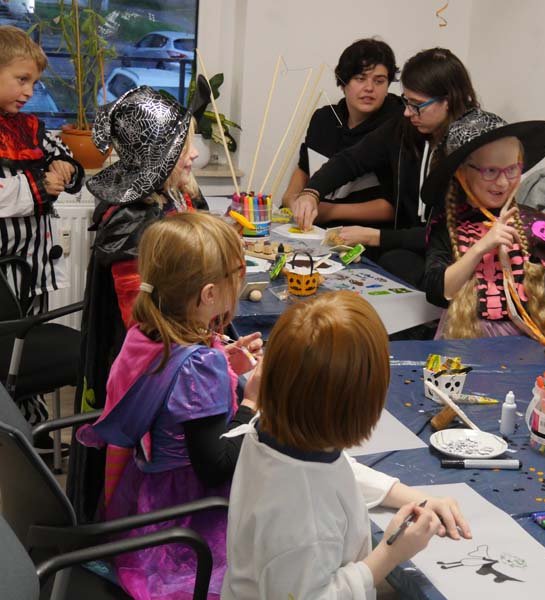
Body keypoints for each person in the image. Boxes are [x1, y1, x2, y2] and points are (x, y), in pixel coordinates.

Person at [223, 291, 472, 599]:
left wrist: (418, 499)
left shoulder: (275, 430)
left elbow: (337, 472)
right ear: (363, 403)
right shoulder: (303, 521)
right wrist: (391, 553)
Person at [67, 83, 241, 524]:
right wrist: (213, 358)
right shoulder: (135, 224)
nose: (194, 155)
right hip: (150, 383)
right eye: (183, 148)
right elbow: (154, 329)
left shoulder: (164, 199)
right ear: (156, 156)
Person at [76, 212, 261, 599]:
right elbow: (215, 466)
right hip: (189, 512)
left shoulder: (147, 331)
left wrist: (225, 363)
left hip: (146, 489)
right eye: (236, 274)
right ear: (208, 295)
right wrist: (251, 403)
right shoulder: (200, 367)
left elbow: (169, 390)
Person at [287, 47, 478, 287]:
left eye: (417, 104)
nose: (407, 112)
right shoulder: (406, 126)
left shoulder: (472, 146)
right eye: (407, 101)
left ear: (448, 101)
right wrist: (311, 192)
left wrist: (377, 237)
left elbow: (454, 234)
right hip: (410, 247)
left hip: (454, 258)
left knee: (394, 262)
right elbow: (351, 160)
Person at [421, 109, 545, 366]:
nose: (503, 182)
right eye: (490, 171)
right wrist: (480, 248)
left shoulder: (533, 223)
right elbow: (437, 291)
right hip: (466, 347)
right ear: (462, 173)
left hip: (527, 349)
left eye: (512, 169)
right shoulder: (447, 227)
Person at [0, 26, 84, 423]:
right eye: (21, 79)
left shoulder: (29, 127)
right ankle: (15, 429)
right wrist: (39, 185)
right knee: (11, 354)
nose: (29, 91)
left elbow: (60, 152)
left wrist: (65, 167)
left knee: (26, 353)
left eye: (33, 82)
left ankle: (32, 424)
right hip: (3, 269)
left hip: (32, 266)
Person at [280, 38, 402, 232]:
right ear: (343, 82)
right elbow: (304, 168)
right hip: (312, 228)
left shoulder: (397, 123)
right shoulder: (325, 118)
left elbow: (395, 207)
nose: (369, 88)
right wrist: (291, 198)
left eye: (379, 81)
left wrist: (330, 211)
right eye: (360, 79)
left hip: (363, 234)